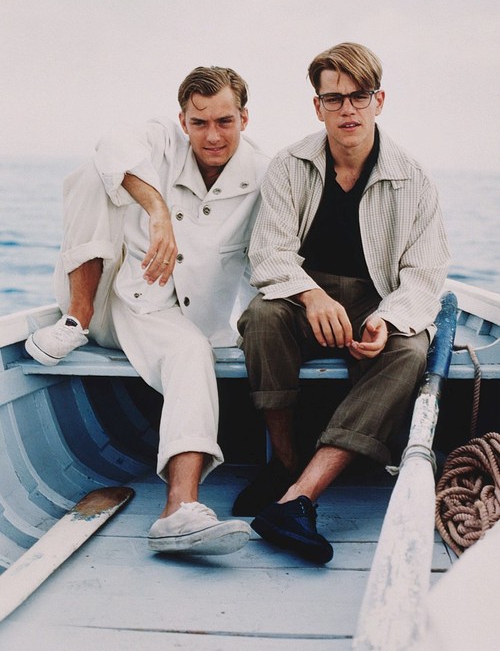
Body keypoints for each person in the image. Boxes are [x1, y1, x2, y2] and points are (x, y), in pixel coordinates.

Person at [25, 66, 270, 556]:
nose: (212, 135)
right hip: (109, 302)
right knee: (92, 175)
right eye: (199, 123)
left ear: (245, 118)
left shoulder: (264, 173)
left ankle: (179, 511)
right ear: (182, 121)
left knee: (191, 352)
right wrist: (157, 210)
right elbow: (111, 144)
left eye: (225, 121)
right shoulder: (160, 140)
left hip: (172, 320)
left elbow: (265, 260)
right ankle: (74, 318)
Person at [232, 42, 450, 564]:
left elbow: (425, 275)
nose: (347, 109)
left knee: (410, 351)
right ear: (318, 106)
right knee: (261, 318)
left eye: (359, 96)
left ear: (379, 100)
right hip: (303, 296)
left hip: (378, 299)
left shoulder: (413, 178)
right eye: (334, 99)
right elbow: (268, 253)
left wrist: (387, 319)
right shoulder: (290, 165)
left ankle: (299, 497)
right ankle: (285, 462)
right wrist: (310, 294)